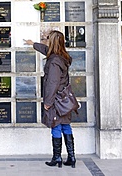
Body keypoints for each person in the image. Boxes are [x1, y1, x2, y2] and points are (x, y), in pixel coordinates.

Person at [24, 30, 76, 168]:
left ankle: (57, 157)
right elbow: (46, 50)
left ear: (52, 41)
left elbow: (52, 83)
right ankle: (71, 157)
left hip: (56, 100)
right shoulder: (62, 56)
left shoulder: (53, 62)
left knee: (56, 126)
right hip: (64, 99)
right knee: (66, 125)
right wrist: (33, 44)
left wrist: (48, 102)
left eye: (47, 38)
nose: (45, 40)